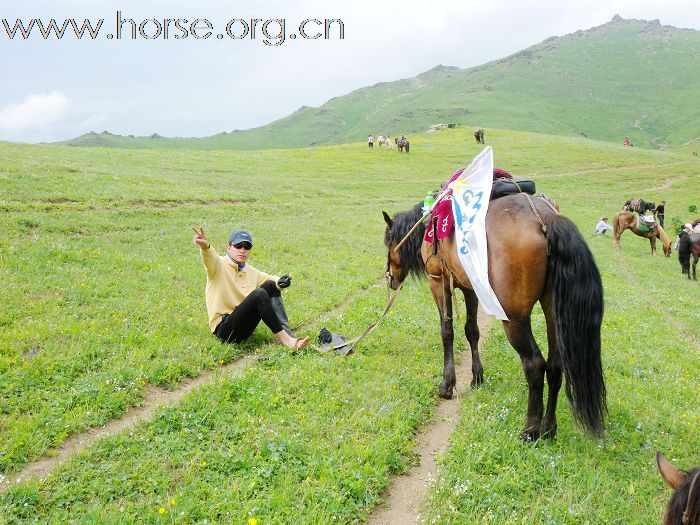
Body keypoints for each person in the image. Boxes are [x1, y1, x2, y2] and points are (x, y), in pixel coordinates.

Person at [192, 227, 309, 350]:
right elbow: (210, 258)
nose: (242, 250)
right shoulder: (218, 265)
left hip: (243, 327)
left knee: (271, 284)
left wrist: (281, 282)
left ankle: (286, 332)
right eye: (238, 246)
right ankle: (286, 341)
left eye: (247, 247)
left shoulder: (251, 271)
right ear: (228, 247)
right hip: (225, 331)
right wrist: (205, 247)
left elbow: (271, 280)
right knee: (259, 294)